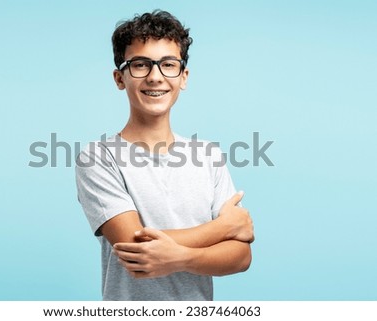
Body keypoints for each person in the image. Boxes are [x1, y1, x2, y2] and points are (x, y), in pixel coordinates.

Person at [75, 10, 254, 301]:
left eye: (168, 64)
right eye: (140, 65)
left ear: (183, 77)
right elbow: (135, 248)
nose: (155, 77)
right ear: (120, 79)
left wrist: (181, 257)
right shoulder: (98, 158)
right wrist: (223, 227)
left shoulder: (208, 157)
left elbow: (241, 256)